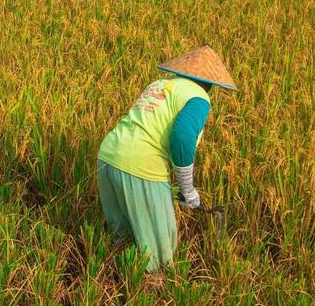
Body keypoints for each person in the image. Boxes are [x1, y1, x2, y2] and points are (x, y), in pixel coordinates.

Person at [96, 46, 237, 274]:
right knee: (159, 256)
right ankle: (149, 298)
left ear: (183, 72)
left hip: (108, 155)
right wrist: (188, 189)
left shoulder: (159, 85)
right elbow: (182, 138)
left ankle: (113, 284)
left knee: (122, 239)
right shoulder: (199, 98)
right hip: (140, 165)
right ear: (211, 84)